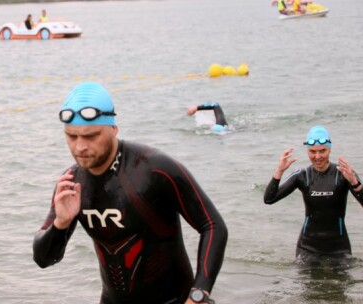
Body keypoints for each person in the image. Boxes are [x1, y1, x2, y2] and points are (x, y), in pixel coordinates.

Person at [33, 82, 228, 304]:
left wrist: (200, 293)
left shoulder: (154, 168)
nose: (80, 147)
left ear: (113, 129)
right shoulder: (71, 183)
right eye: (72, 136)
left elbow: (212, 225)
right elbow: (43, 259)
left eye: (91, 136)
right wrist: (60, 224)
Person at [263, 125, 363, 264]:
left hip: (339, 248)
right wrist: (279, 171)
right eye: (312, 152)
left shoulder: (343, 173)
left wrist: (354, 182)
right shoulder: (302, 176)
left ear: (330, 149)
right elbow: (269, 199)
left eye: (323, 151)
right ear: (307, 151)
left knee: (342, 285)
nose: (318, 156)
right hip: (307, 248)